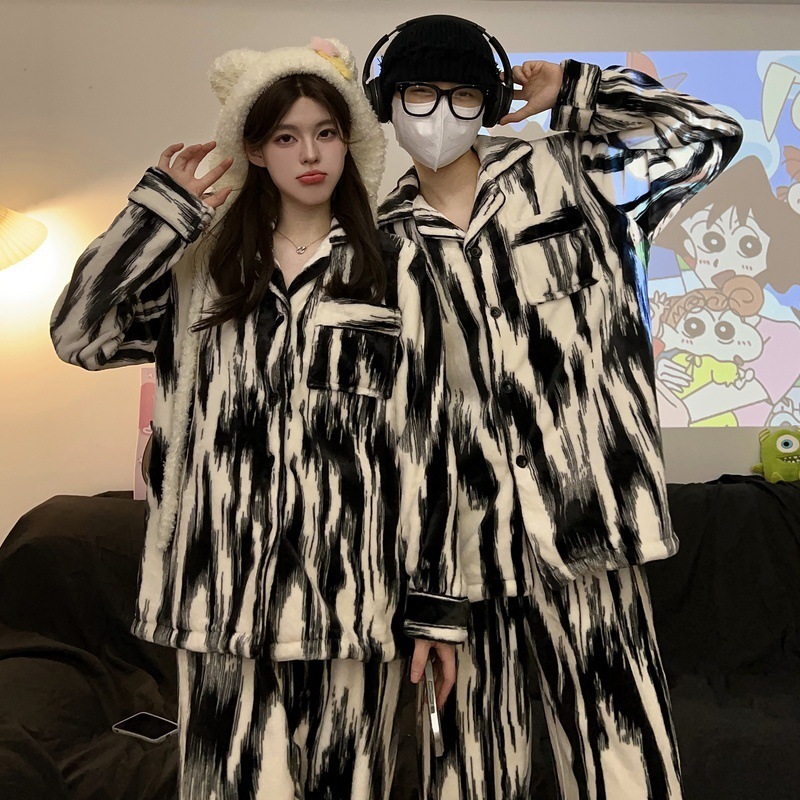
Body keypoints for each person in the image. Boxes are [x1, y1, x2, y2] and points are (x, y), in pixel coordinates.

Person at [50, 37, 469, 800]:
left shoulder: (398, 268)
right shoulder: (198, 268)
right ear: (252, 149)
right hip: (221, 604)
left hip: (351, 604)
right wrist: (160, 213)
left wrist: (437, 609)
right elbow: (79, 334)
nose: (309, 154)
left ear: (348, 142)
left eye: (326, 133)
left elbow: (429, 443)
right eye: (285, 136)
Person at [364, 13, 743, 800]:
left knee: (627, 773)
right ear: (388, 102)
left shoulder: (576, 173)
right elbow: (402, 430)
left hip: (588, 528)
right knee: (468, 777)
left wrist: (578, 89)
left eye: (463, 94)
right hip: (465, 559)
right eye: (419, 93)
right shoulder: (375, 244)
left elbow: (713, 135)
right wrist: (425, 592)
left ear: (490, 102)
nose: (439, 114)